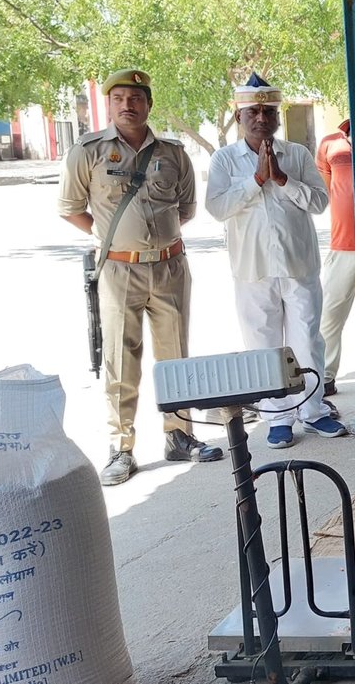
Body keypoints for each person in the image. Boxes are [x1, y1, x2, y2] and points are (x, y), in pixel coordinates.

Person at [59, 69, 220, 485]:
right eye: (119, 99)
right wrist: (112, 237)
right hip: (118, 269)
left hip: (170, 266)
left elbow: (185, 209)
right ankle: (121, 447)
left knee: (175, 355)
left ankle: (180, 435)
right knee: (120, 359)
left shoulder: (173, 152)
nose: (127, 105)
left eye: (135, 98)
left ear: (148, 104)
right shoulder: (88, 151)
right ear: (109, 105)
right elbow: (72, 208)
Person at [206, 73, 347, 448]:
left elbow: (319, 202)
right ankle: (276, 417)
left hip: (298, 265)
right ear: (239, 117)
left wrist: (283, 180)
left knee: (307, 340)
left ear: (278, 116)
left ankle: (313, 411)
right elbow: (217, 207)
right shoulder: (224, 160)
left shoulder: (297, 155)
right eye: (253, 111)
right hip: (252, 269)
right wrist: (255, 180)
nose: (261, 118)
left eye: (269, 111)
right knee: (263, 345)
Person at [316, 119, 355, 398]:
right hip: (343, 244)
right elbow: (328, 188)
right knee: (330, 314)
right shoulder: (331, 143)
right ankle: (325, 375)